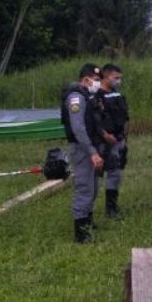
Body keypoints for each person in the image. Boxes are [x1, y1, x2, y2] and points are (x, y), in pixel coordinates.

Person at [61, 63, 104, 243]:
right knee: (84, 188)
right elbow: (78, 128)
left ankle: (88, 220)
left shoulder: (88, 96)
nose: (98, 83)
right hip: (82, 148)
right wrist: (92, 152)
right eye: (95, 80)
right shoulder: (76, 98)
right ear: (85, 79)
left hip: (90, 146)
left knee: (93, 187)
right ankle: (81, 233)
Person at [95, 63, 129, 218]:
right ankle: (87, 209)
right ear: (106, 77)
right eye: (116, 78)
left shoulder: (117, 95)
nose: (118, 81)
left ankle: (111, 208)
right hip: (104, 141)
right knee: (97, 174)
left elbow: (124, 117)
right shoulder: (96, 96)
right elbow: (92, 121)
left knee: (115, 173)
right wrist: (104, 135)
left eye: (120, 78)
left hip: (119, 139)